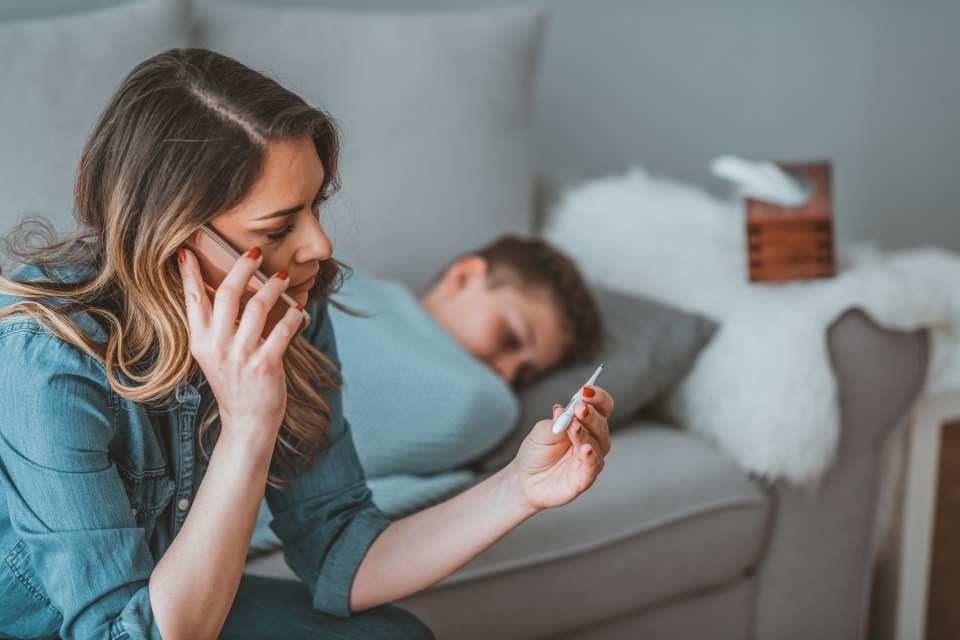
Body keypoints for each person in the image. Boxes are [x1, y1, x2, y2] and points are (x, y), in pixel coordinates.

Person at [0, 48, 613, 640]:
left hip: (166, 603)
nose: (319, 245)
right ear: (173, 237)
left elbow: (344, 551)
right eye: (279, 226)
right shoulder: (49, 358)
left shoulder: (288, 308)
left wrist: (519, 488)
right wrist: (248, 425)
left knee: (393, 635)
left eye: (316, 205)